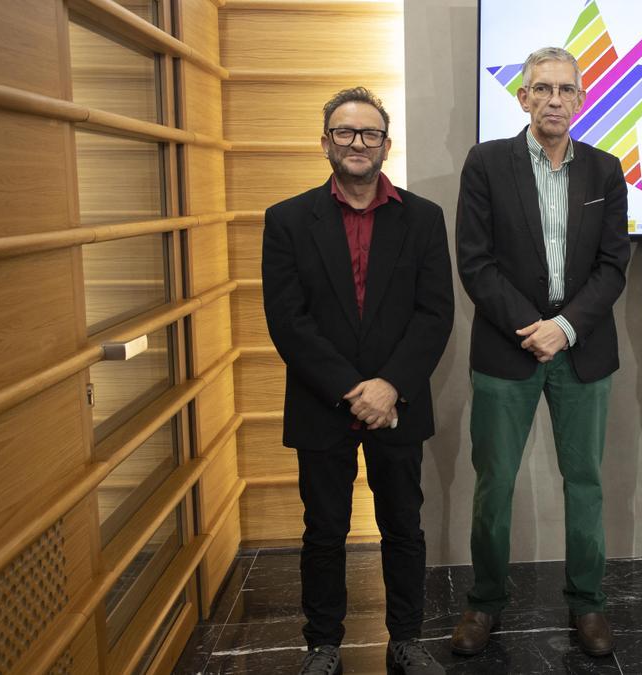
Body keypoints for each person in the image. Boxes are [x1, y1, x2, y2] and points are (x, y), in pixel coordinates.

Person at [262, 87, 453, 675]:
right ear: (325, 143)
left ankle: (407, 639)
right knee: (324, 530)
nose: (357, 143)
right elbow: (287, 322)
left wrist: (390, 386)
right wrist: (354, 390)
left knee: (403, 526)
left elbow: (434, 313)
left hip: (398, 402)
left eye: (369, 133)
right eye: (344, 133)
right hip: (324, 403)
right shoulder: (288, 220)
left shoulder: (423, 218)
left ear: (385, 145)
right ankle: (322, 645)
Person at [451, 46, 630, 658]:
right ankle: (484, 601)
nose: (554, 99)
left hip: (582, 353)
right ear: (523, 97)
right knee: (493, 484)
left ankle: (587, 605)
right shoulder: (486, 163)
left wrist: (566, 328)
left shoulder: (606, 170)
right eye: (542, 89)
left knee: (585, 483)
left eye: (566, 89)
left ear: (581, 99)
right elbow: (474, 261)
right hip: (508, 349)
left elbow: (613, 266)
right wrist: (534, 326)